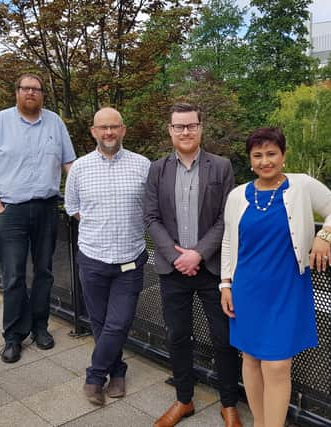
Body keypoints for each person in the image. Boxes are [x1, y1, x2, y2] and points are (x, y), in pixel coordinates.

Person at [220, 127, 331, 427]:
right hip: (247, 288)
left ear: (283, 155)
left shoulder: (302, 185)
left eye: (271, 154)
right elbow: (228, 241)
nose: (265, 161)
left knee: (278, 365)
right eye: (258, 155)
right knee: (251, 360)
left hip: (287, 288)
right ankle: (260, 423)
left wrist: (325, 235)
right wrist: (226, 284)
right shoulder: (238, 195)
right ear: (250, 160)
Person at [143, 103, 243, 427]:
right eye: (178, 126)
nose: (185, 132)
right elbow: (151, 218)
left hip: (212, 268)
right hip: (173, 271)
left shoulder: (221, 167)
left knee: (224, 339)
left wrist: (198, 254)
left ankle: (229, 404)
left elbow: (225, 218)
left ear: (201, 127)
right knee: (177, 336)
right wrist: (177, 258)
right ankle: (183, 400)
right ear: (170, 131)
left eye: (191, 125)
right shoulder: (157, 169)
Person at [0, 74, 76, 364]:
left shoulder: (55, 122)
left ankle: (40, 327)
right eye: (25, 88)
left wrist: (85, 194)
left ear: (42, 94)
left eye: (36, 89)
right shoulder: (0, 121)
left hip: (46, 208)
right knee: (14, 275)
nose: (31, 93)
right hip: (11, 211)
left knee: (44, 271)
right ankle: (13, 336)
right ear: (17, 92)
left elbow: (70, 164)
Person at [64, 107, 150, 406]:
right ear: (93, 131)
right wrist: (98, 227)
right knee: (100, 322)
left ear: (123, 130)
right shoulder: (80, 168)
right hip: (92, 258)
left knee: (118, 322)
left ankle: (94, 375)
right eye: (103, 128)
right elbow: (72, 206)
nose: (109, 133)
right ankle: (118, 370)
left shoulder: (143, 165)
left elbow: (151, 208)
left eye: (114, 127)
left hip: (130, 258)